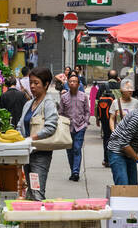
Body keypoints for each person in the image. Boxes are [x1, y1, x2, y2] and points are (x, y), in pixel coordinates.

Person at [18, 67, 59, 200]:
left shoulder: (48, 103)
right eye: (31, 83)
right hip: (27, 153)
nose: (32, 86)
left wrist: (31, 138)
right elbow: (20, 124)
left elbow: (50, 127)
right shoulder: (28, 103)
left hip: (40, 154)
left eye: (36, 83)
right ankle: (30, 220)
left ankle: (40, 219)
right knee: (30, 191)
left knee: (37, 192)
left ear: (46, 84)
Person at [59, 69, 88, 182]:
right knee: (69, 150)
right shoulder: (64, 97)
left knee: (77, 149)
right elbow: (60, 113)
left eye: (75, 81)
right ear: (67, 83)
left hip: (80, 127)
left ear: (79, 84)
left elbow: (87, 111)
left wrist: (85, 123)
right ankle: (73, 171)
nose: (72, 83)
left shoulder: (83, 96)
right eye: (70, 81)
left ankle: (76, 172)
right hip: (67, 128)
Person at [95, 70, 118, 166]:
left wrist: (97, 117)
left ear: (108, 77)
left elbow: (97, 103)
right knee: (119, 138)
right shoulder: (121, 86)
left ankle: (107, 160)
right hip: (120, 116)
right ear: (117, 77)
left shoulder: (103, 86)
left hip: (106, 117)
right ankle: (117, 159)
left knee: (107, 138)